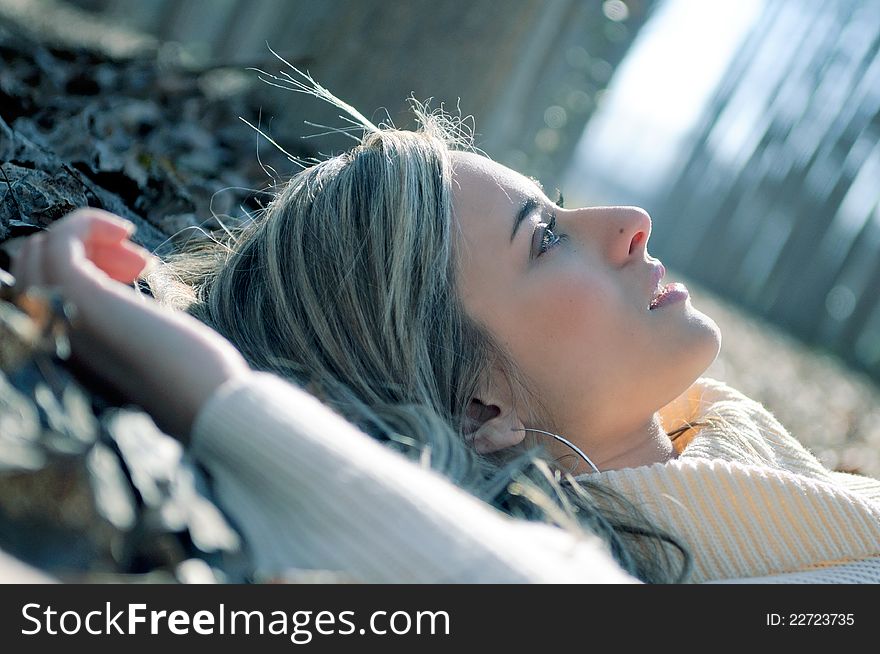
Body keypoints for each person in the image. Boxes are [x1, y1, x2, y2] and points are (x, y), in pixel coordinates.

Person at [9, 78, 880, 584]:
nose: (632, 221)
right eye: (545, 240)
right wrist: (213, 393)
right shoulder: (611, 569)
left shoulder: (752, 467)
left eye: (560, 211)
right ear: (477, 408)